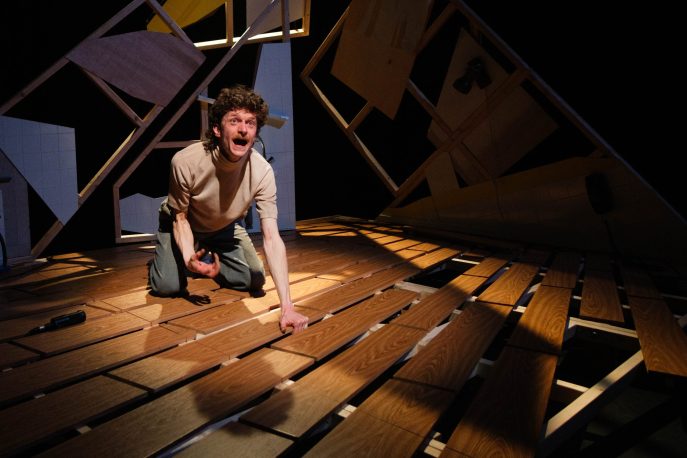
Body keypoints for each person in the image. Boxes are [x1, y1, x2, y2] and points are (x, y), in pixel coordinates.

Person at [148, 84, 308, 333]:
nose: (243, 129)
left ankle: (208, 255)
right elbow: (180, 218)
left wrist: (287, 307)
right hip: (183, 221)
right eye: (234, 121)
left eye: (250, 123)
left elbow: (272, 238)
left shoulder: (262, 172)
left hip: (223, 225)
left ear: (255, 132)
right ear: (217, 129)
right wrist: (189, 258)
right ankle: (181, 257)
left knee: (255, 279)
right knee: (167, 286)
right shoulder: (186, 161)